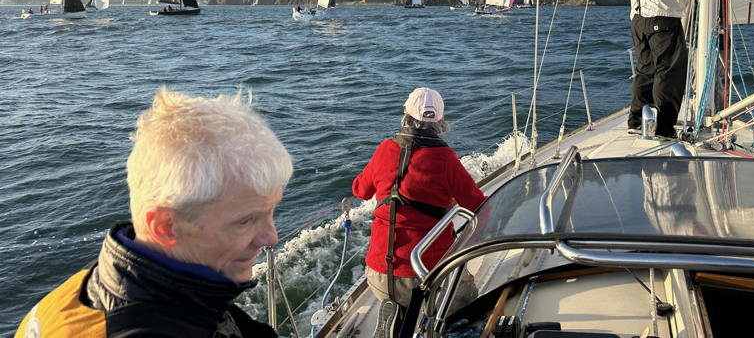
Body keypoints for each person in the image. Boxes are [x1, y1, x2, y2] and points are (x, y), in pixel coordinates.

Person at [14, 88, 293, 338]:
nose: (271, 237)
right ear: (164, 226)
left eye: (270, 211)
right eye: (246, 220)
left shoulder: (91, 285)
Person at [352, 87, 486, 337]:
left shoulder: (384, 149)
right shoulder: (445, 159)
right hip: (425, 276)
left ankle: (398, 312)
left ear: (406, 116)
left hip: (379, 274)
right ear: (440, 122)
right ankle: (436, 322)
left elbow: (359, 190)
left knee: (398, 291)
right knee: (467, 301)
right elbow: (477, 204)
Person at [626, 0, 715, 137]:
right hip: (662, 19)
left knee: (646, 70)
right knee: (670, 71)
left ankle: (637, 121)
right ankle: (664, 128)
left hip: (639, 22)